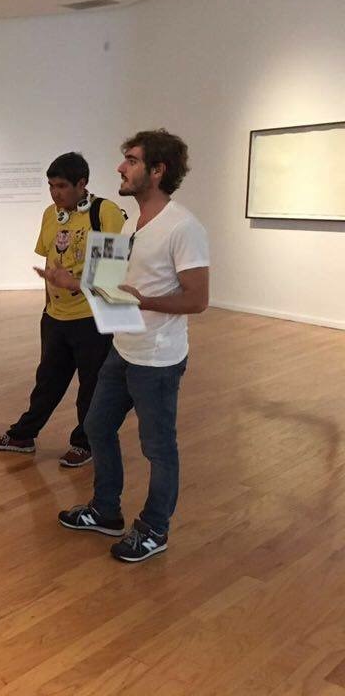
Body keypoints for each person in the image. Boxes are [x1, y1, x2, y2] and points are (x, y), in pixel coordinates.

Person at [58, 129, 209, 563]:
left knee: (158, 448)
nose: (120, 168)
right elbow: (116, 286)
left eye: (132, 160)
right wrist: (76, 282)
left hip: (157, 359)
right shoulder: (131, 224)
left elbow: (197, 299)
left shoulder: (183, 227)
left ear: (157, 171)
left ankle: (154, 528)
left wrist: (145, 301)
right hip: (122, 349)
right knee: (96, 427)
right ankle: (106, 510)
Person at [0, 153, 126, 467]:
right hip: (55, 317)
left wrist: (72, 282)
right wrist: (49, 305)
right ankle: (23, 435)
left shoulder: (105, 212)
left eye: (61, 186)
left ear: (82, 183)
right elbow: (51, 259)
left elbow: (111, 273)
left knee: (91, 385)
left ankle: (85, 443)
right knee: (47, 380)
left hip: (91, 317)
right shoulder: (51, 214)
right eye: (51, 186)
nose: (55, 193)